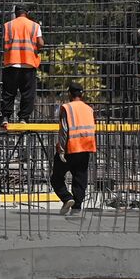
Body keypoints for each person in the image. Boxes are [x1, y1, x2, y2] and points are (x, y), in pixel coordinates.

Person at [52, 82, 97, 216]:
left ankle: (67, 198)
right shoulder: (89, 109)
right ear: (82, 94)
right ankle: (77, 207)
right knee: (80, 178)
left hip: (70, 147)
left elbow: (64, 130)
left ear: (69, 94)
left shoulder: (67, 107)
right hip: (86, 148)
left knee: (56, 178)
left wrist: (61, 150)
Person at [0, 5, 44, 124]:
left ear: (15, 13)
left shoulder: (8, 25)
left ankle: (5, 117)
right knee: (28, 93)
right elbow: (41, 43)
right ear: (27, 13)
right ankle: (23, 118)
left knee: (9, 93)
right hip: (28, 64)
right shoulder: (35, 26)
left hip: (11, 63)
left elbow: (3, 42)